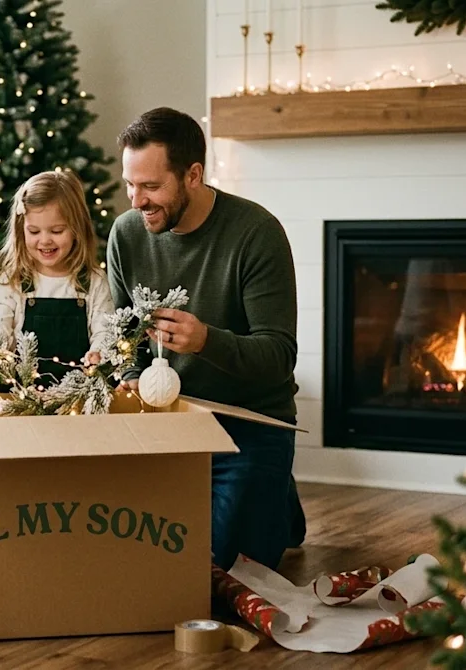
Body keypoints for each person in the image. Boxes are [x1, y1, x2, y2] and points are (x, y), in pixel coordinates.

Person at [106, 107, 306, 571]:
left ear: (193, 175)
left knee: (216, 568)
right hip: (168, 422)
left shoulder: (256, 233)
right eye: (129, 184)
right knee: (132, 554)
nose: (136, 200)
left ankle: (272, 496)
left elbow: (279, 356)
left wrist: (205, 342)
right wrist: (132, 375)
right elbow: (126, 342)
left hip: (250, 423)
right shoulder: (126, 234)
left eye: (151, 186)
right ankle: (272, 500)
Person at [0, 170, 114, 384]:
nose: (45, 240)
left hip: (78, 397)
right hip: (21, 397)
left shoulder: (93, 281)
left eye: (56, 231)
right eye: (34, 232)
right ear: (21, 230)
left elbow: (105, 329)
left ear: (77, 229)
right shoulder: (14, 280)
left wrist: (99, 352)